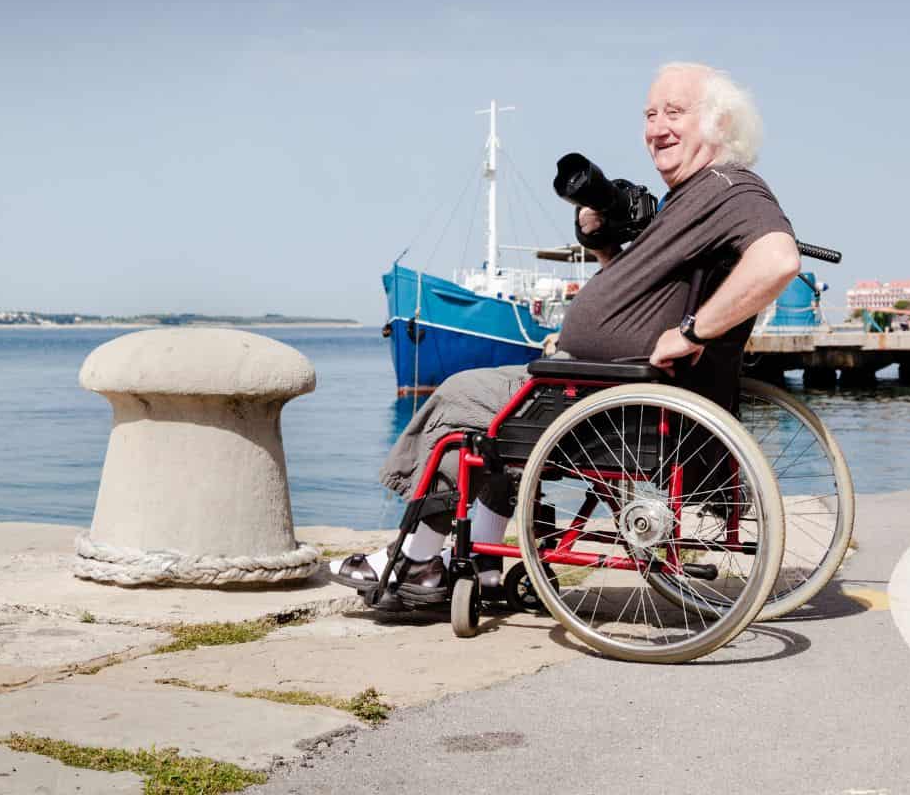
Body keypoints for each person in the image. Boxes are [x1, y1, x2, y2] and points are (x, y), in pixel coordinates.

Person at [332, 62, 801, 604]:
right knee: (505, 418)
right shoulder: (692, 198)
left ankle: (416, 561)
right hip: (609, 390)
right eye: (650, 115)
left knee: (462, 400)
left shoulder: (729, 187)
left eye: (675, 112)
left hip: (613, 395)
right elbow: (639, 295)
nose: (656, 127)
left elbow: (777, 260)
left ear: (719, 123)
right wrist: (605, 247)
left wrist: (693, 332)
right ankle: (483, 563)